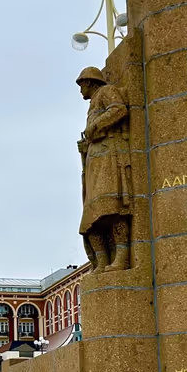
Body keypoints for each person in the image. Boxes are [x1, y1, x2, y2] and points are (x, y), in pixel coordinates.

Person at [76, 66, 133, 272]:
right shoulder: (92, 103)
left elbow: (119, 109)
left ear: (90, 83)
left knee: (112, 209)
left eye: (82, 85)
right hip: (94, 162)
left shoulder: (106, 92)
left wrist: (95, 126)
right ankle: (101, 262)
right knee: (90, 220)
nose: (80, 90)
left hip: (109, 157)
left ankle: (122, 258)